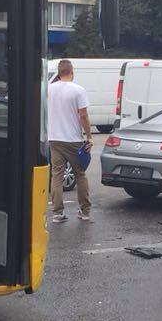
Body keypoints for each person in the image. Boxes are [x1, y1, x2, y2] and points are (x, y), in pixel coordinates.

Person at [47, 59, 93, 223]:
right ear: (72, 72)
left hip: (54, 139)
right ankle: (85, 210)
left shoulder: (49, 89)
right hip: (73, 140)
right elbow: (83, 115)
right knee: (80, 174)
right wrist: (89, 136)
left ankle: (57, 213)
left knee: (56, 176)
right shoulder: (78, 90)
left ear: (59, 74)